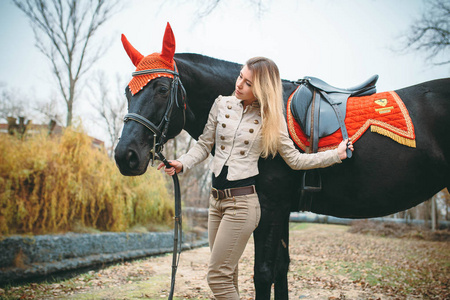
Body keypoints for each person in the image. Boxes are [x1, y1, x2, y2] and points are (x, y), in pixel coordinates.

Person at [158, 57, 354, 299]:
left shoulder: (271, 119)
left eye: (248, 83)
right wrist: (182, 163)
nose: (239, 84)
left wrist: (335, 155)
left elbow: (294, 159)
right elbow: (204, 144)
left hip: (241, 205)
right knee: (227, 275)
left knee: (216, 277)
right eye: (240, 76)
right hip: (215, 203)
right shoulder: (221, 104)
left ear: (262, 88)